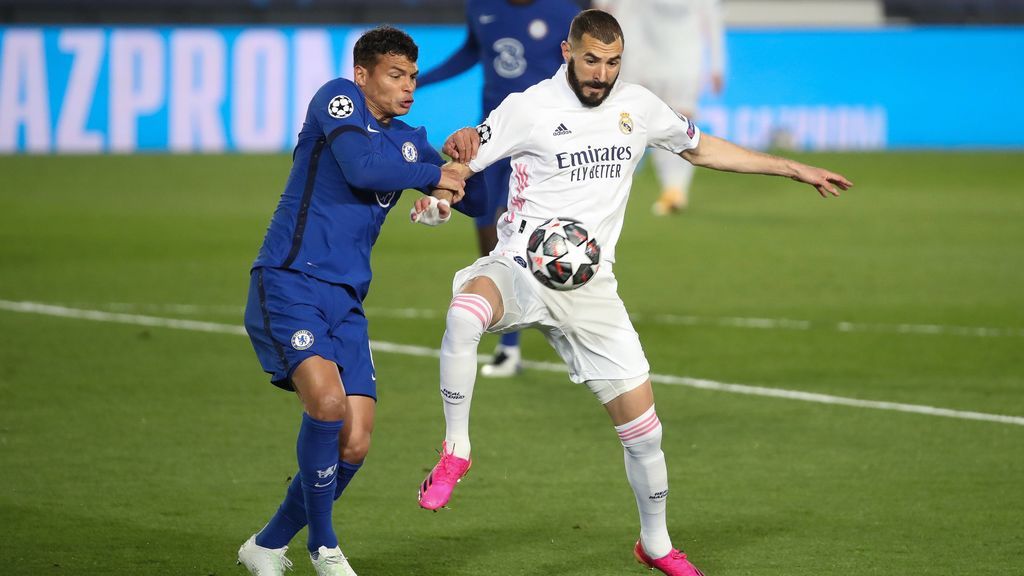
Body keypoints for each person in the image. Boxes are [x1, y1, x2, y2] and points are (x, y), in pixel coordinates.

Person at [417, 9, 851, 576]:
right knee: (466, 313)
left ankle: (656, 544)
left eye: (613, 62)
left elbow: (699, 148)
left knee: (645, 434)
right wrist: (442, 198)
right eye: (592, 60)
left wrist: (789, 167)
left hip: (592, 288)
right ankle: (456, 452)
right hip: (520, 265)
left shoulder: (638, 107)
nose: (601, 74)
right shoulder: (529, 108)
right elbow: (464, 163)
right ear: (567, 53)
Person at [236, 26, 480, 576]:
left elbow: (472, 194)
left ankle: (268, 544)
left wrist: (465, 161)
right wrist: (436, 173)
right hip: (290, 278)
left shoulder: (411, 140)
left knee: (356, 441)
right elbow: (363, 168)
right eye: (396, 75)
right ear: (363, 74)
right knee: (325, 405)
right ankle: (324, 547)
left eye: (413, 76)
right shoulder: (336, 99)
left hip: (346, 299)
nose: (408, 87)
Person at [418, 0, 584, 377]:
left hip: (546, 140)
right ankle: (510, 342)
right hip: (493, 134)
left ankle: (566, 327)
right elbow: (472, 51)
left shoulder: (564, 12)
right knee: (483, 220)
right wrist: (422, 79)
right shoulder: (481, 8)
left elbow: (582, 68)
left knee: (546, 231)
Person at [597, 0, 725, 214]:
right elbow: (618, 13)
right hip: (649, 65)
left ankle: (675, 189)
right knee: (649, 126)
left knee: (681, 126)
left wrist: (717, 65)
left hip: (685, 66)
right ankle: (613, 183)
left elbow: (712, 20)